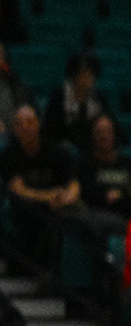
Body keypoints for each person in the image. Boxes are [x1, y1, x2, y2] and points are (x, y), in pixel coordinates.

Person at [3, 104, 81, 272]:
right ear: (15, 129)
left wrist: (64, 198)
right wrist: (50, 196)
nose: (25, 127)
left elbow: (73, 185)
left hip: (58, 207)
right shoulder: (10, 155)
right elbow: (19, 191)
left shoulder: (57, 151)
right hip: (26, 211)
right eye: (19, 124)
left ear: (38, 123)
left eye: (30, 122)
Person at [78, 115, 131, 225]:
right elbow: (89, 195)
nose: (103, 136)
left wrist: (119, 195)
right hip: (96, 221)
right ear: (93, 135)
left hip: (127, 216)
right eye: (99, 132)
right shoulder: (85, 164)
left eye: (107, 131)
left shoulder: (128, 164)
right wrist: (121, 195)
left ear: (114, 134)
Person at [44, 53, 111, 148]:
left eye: (90, 74)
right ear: (74, 75)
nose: (88, 78)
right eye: (83, 73)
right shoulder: (59, 96)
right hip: (62, 147)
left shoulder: (99, 98)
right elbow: (50, 129)